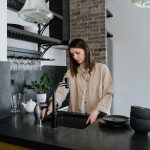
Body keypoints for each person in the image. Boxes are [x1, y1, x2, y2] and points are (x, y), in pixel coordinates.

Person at [42, 38, 113, 124]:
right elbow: (62, 90)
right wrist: (52, 104)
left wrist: (97, 110)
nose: (75, 57)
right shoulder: (70, 73)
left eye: (77, 53)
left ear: (86, 50)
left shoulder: (102, 69)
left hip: (97, 118)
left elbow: (108, 94)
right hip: (76, 119)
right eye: (72, 54)